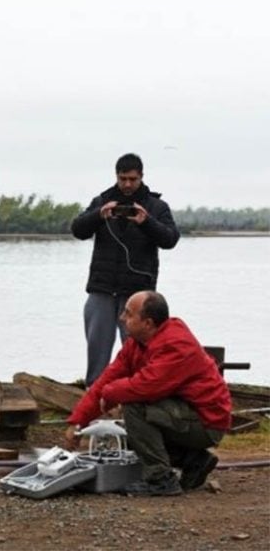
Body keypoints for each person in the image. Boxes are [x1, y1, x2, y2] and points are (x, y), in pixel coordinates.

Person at [64, 291, 231, 496]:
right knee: (134, 426)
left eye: (129, 314)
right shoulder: (137, 344)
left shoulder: (176, 345)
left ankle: (160, 480)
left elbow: (146, 386)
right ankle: (194, 460)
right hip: (184, 414)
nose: (122, 318)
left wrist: (110, 394)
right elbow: (106, 380)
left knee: (135, 408)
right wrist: (78, 421)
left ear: (148, 323)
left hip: (206, 422)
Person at [71, 153, 180, 387]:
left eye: (132, 179)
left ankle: (138, 393)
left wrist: (146, 221)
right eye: (123, 179)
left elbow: (171, 239)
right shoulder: (102, 201)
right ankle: (95, 392)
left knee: (139, 350)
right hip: (102, 289)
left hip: (138, 295)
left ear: (141, 177)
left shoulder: (156, 206)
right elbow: (78, 230)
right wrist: (99, 216)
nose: (127, 184)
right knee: (97, 346)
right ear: (116, 177)